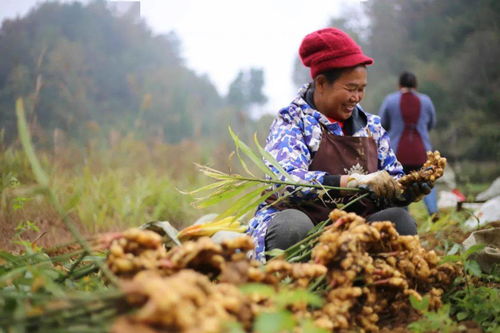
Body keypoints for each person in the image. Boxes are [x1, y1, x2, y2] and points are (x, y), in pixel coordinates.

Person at [246, 28, 431, 262]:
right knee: (291, 227)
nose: (357, 97)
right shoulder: (292, 122)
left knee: (400, 220)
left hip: (354, 229)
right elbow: (285, 181)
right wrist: (352, 182)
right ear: (321, 83)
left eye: (361, 89)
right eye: (351, 89)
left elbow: (392, 179)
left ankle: (377, 289)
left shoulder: (370, 126)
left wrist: (408, 190)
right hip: (306, 231)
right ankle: (289, 290)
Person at [378, 72, 438, 216]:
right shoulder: (426, 101)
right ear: (416, 85)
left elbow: (382, 124)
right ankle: (433, 211)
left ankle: (404, 215)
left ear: (399, 85)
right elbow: (432, 123)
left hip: (397, 151)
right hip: (421, 149)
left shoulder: (390, 100)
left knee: (400, 184)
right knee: (427, 179)